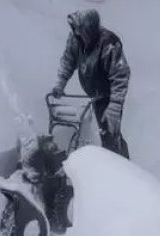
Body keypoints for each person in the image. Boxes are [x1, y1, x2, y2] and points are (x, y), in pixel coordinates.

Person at [52, 9, 130, 159]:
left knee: (110, 136)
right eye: (74, 29)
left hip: (109, 96)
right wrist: (60, 84)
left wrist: (114, 107)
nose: (76, 32)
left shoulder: (109, 43)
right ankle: (124, 167)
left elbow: (120, 76)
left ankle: (120, 173)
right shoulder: (75, 39)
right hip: (95, 95)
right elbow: (68, 62)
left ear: (88, 29)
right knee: (108, 134)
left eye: (79, 29)